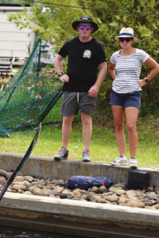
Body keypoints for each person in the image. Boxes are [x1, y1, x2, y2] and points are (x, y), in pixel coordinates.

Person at [53, 16, 107, 163]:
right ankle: (63, 149)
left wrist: (96, 85)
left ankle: (86, 150)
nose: (84, 30)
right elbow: (58, 59)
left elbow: (103, 67)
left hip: (88, 89)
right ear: (78, 28)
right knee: (67, 118)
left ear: (92, 29)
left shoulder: (97, 46)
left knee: (86, 119)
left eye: (87, 27)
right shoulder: (70, 44)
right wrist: (61, 74)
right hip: (70, 88)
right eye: (82, 27)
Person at [108, 27, 159, 170]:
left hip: (133, 93)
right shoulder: (115, 55)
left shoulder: (140, 54)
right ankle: (122, 156)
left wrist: (145, 81)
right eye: (122, 39)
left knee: (131, 126)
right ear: (118, 41)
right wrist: (115, 79)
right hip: (117, 92)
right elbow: (110, 68)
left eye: (128, 39)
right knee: (118, 125)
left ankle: (133, 158)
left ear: (132, 40)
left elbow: (156, 67)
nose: (124, 42)